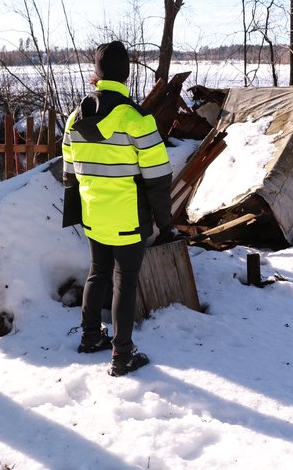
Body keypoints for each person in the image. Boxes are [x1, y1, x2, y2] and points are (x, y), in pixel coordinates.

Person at [61, 40, 174, 376]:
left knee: (97, 273)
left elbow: (69, 175)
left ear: (98, 74)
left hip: (94, 217)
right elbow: (158, 179)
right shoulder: (138, 119)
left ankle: (90, 337)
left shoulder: (74, 119)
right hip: (128, 219)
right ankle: (122, 355)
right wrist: (165, 223)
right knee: (125, 280)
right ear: (126, 75)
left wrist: (81, 209)